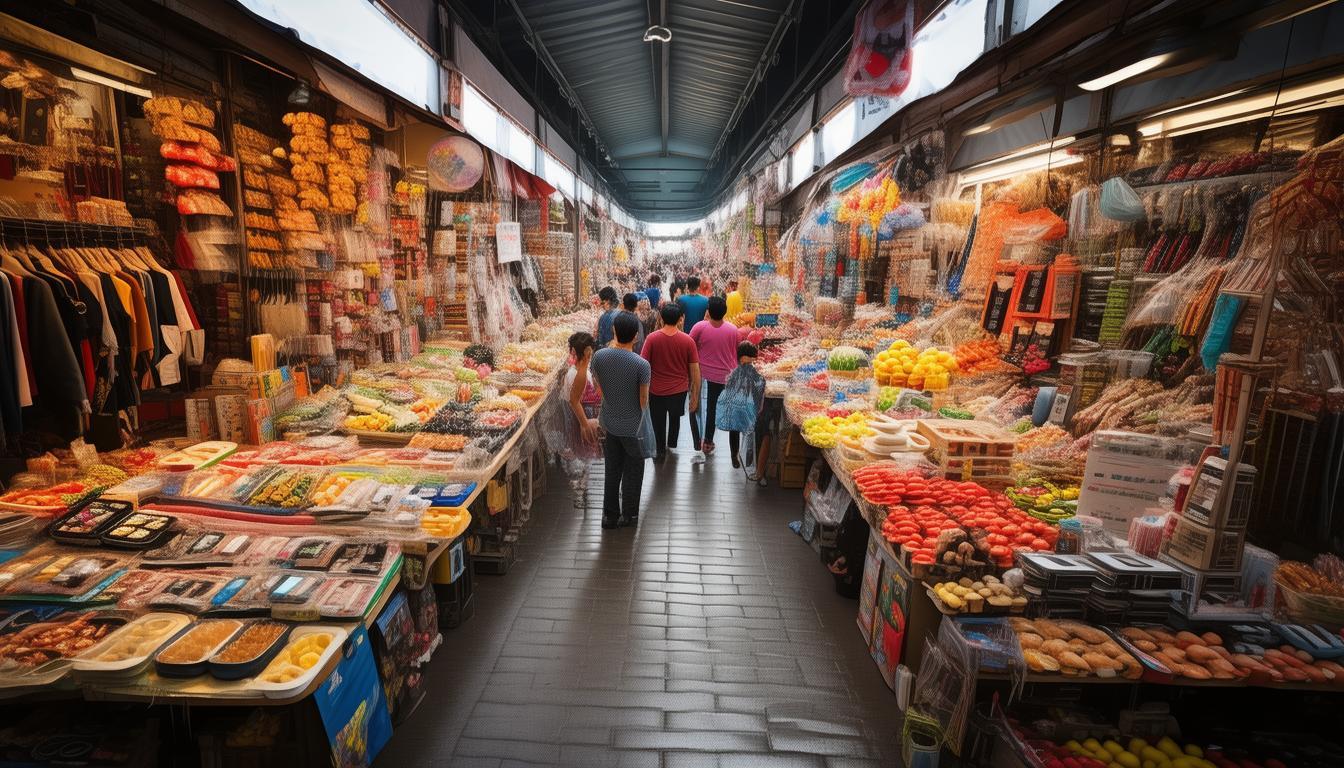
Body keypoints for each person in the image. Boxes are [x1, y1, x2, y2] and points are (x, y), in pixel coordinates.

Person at [588, 313, 651, 529]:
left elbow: (598, 387)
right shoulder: (642, 365)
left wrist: (610, 398)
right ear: (635, 336)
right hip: (633, 427)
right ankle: (629, 515)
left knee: (612, 470)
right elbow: (643, 400)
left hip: (610, 423)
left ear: (614, 331)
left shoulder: (599, 356)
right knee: (633, 471)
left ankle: (609, 516)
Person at [639, 302, 700, 462]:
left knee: (657, 421)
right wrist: (695, 396)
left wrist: (641, 391)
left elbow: (643, 365)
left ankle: (659, 449)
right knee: (675, 418)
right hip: (678, 390)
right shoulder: (688, 341)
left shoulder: (652, 338)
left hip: (655, 390)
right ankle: (672, 442)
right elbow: (695, 372)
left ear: (661, 318)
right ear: (681, 319)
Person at [688, 295, 738, 463]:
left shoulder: (700, 327)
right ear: (725, 312)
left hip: (705, 375)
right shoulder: (733, 330)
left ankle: (704, 442)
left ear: (708, 311)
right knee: (722, 410)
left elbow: (689, 346)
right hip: (727, 376)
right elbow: (736, 352)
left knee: (705, 409)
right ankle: (723, 446)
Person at [716, 341, 766, 469]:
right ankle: (743, 456)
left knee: (736, 431)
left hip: (736, 407)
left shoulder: (735, 372)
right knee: (746, 430)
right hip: (744, 408)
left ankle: (736, 455)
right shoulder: (749, 371)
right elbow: (759, 383)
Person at [562, 332, 602, 488]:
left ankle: (583, 479)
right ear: (588, 351)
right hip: (583, 416)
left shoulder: (575, 372)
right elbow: (575, 401)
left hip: (579, 416)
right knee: (583, 449)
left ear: (572, 351)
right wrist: (584, 423)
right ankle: (583, 480)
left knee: (582, 449)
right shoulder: (580, 374)